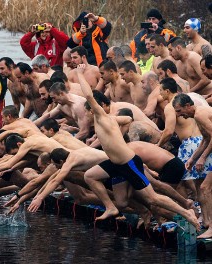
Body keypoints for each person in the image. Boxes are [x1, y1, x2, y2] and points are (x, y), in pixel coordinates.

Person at [76, 63, 200, 230]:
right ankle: (111, 207)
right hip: (116, 164)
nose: (85, 115)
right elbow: (127, 119)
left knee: (153, 198)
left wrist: (79, 74)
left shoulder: (102, 117)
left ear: (93, 110)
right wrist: (122, 123)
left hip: (128, 162)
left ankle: (187, 213)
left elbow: (89, 96)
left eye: (87, 111)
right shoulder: (110, 119)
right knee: (95, 180)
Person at [172, 93, 212, 238]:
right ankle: (207, 223)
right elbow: (206, 139)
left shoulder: (200, 114)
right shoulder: (197, 115)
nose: (179, 115)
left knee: (205, 188)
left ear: (188, 106)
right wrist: (193, 158)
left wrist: (202, 158)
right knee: (202, 188)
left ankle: (211, 227)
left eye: (179, 111)